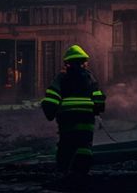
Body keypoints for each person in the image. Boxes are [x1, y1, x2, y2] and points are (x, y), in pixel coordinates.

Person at [41, 44, 106, 177]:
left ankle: (63, 171)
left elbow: (51, 99)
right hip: (86, 118)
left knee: (66, 143)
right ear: (84, 63)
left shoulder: (61, 78)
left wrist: (49, 111)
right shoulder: (90, 78)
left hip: (67, 118)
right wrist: (97, 110)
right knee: (84, 144)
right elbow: (98, 98)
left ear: (67, 63)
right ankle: (82, 173)